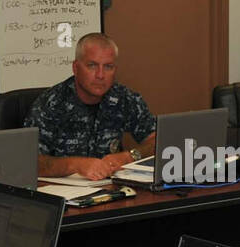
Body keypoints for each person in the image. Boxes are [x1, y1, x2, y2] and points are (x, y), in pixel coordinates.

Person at [24, 32, 157, 181]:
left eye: (108, 67)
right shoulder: (51, 103)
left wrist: (131, 156)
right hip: (63, 194)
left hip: (112, 190)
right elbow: (29, 162)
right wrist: (75, 165)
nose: (100, 75)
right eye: (92, 65)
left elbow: (158, 140)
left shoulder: (124, 98)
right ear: (75, 68)